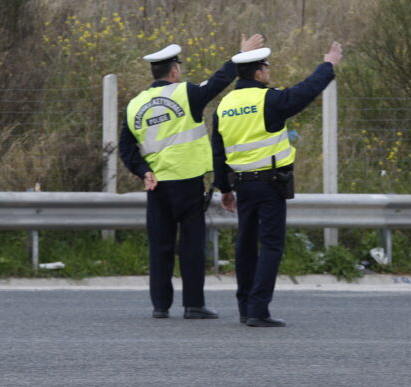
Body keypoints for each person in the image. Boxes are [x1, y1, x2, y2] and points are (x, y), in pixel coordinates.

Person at [120, 34, 264, 319]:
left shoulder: (135, 105)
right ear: (174, 71)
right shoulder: (185, 93)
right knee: (191, 246)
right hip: (187, 183)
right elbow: (218, 81)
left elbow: (126, 148)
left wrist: (143, 171)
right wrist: (241, 54)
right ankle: (193, 305)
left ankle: (160, 306)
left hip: (157, 185)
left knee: (160, 246)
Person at [212, 41, 344, 327]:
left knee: (245, 246)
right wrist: (328, 64)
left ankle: (246, 307)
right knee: (271, 245)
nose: (269, 72)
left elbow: (218, 152)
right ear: (258, 73)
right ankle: (259, 310)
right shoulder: (268, 100)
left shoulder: (224, 106)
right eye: (267, 67)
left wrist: (223, 189)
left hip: (242, 186)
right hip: (270, 185)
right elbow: (306, 91)